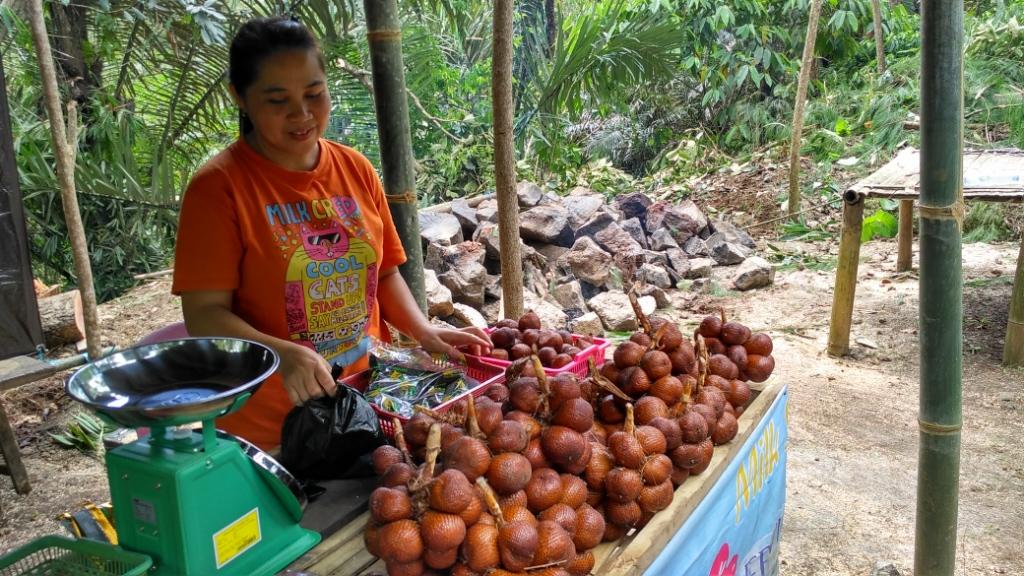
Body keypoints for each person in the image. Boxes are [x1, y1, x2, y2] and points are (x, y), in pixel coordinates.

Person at [172, 16, 490, 450]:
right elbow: (205, 313)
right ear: (240, 98)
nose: (301, 114)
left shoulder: (355, 169)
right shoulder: (218, 188)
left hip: (364, 403)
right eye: (277, 99)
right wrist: (280, 353)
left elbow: (387, 274)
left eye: (314, 94)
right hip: (272, 430)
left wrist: (422, 330)